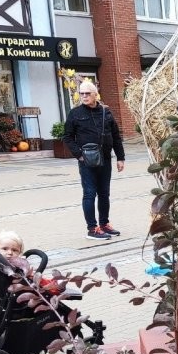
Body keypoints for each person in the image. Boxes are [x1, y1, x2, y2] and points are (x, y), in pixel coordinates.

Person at [62, 80, 126, 240]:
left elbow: (116, 136)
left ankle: (104, 224)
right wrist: (79, 155)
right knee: (89, 194)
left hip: (105, 158)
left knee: (104, 193)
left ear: (95, 94)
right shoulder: (75, 113)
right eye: (81, 93)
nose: (84, 96)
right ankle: (92, 228)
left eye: (87, 93)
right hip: (87, 161)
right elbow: (68, 137)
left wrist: (120, 157)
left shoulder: (106, 112)